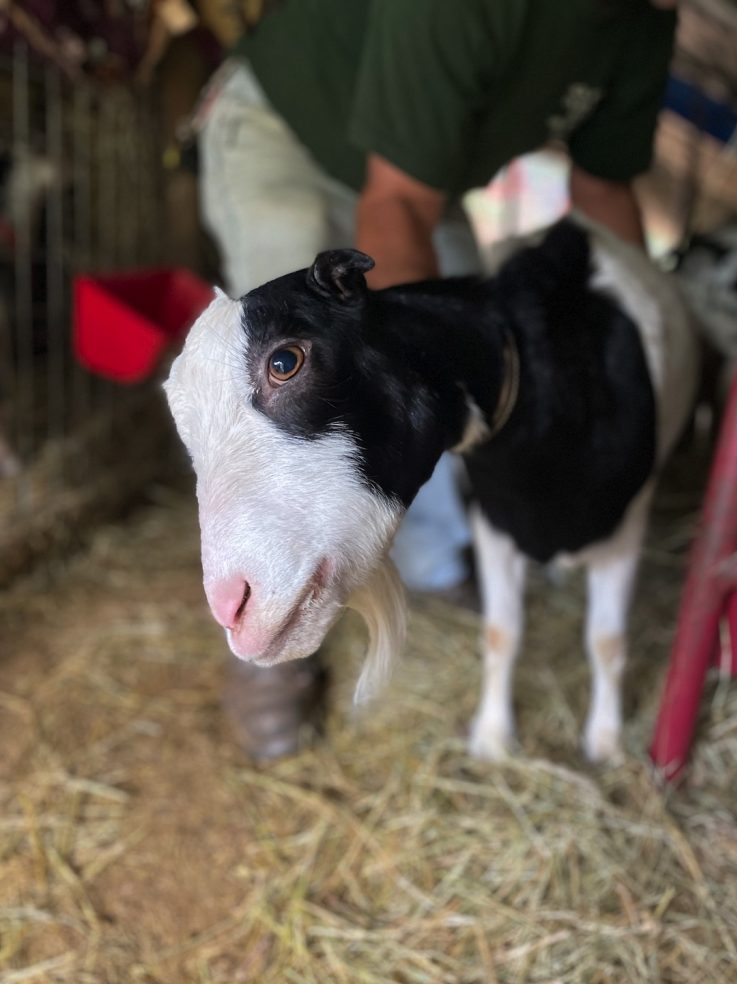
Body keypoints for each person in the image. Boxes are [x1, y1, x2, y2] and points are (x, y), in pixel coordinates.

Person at [194, 0, 678, 756]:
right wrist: (415, 402)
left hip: (417, 173)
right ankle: (270, 647)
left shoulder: (645, 23)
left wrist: (629, 360)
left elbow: (605, 195)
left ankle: (433, 563)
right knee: (286, 381)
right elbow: (396, 208)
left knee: (473, 358)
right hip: (286, 136)